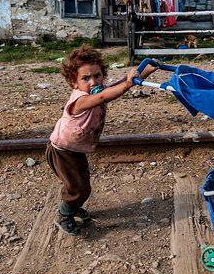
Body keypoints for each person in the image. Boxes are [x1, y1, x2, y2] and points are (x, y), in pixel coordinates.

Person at [47, 46, 157, 236]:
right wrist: (128, 84)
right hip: (62, 150)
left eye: (98, 76)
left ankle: (73, 206)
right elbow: (105, 95)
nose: (93, 82)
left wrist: (144, 71)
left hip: (75, 149)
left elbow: (116, 87)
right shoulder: (80, 100)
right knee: (78, 187)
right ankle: (64, 214)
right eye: (85, 78)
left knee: (82, 184)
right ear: (74, 82)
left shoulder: (97, 92)